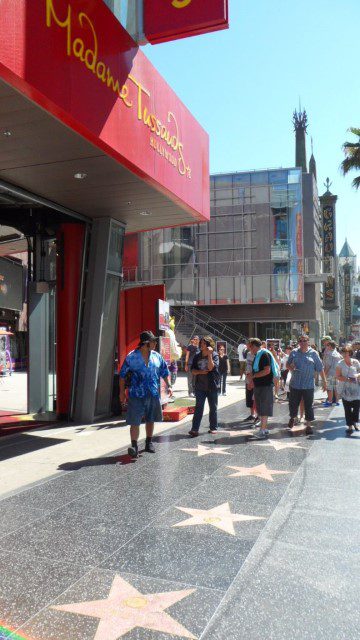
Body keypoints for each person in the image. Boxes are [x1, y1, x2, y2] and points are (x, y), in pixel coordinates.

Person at [119, 330, 173, 458]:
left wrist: (169, 386)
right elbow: (121, 376)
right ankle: (134, 445)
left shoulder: (157, 356)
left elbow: (164, 372)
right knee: (135, 421)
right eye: (153, 341)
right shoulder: (131, 357)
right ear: (145, 343)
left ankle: (149, 442)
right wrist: (121, 392)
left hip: (153, 393)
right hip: (136, 395)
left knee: (151, 418)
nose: (155, 343)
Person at [287, 335, 327, 435]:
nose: (303, 342)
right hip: (295, 384)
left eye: (305, 341)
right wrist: (291, 367)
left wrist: (325, 382)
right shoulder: (294, 352)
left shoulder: (314, 353)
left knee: (309, 405)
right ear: (299, 342)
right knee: (293, 404)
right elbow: (287, 364)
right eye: (300, 341)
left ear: (308, 342)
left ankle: (308, 425)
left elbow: (320, 367)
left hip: (308, 385)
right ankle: (292, 417)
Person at [189, 336, 220, 436]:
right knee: (198, 407)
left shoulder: (214, 355)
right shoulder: (197, 356)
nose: (201, 344)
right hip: (200, 387)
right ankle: (194, 429)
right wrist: (200, 372)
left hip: (212, 386)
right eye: (201, 343)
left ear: (208, 344)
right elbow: (193, 370)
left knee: (213, 408)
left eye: (203, 343)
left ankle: (213, 427)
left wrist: (210, 355)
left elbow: (211, 368)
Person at [248, 338, 275, 439]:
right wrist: (252, 381)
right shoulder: (257, 356)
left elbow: (267, 371)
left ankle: (262, 430)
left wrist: (254, 377)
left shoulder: (263, 354)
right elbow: (256, 371)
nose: (249, 348)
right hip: (259, 385)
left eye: (250, 346)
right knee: (260, 408)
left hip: (266, 385)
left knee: (264, 408)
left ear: (254, 346)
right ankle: (264, 428)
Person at [335, 345, 360, 435]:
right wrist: (348, 379)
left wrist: (357, 376)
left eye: (346, 352)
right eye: (343, 352)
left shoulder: (356, 362)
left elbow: (359, 372)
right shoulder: (340, 364)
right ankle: (350, 426)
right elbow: (337, 376)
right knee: (347, 409)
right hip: (345, 390)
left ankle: (355, 422)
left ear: (350, 353)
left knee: (357, 407)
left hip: (356, 389)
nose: (345, 354)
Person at [243, 340, 259, 424]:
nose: (248, 345)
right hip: (248, 377)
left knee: (256, 398)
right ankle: (252, 414)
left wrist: (252, 380)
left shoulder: (258, 354)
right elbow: (247, 366)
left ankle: (257, 415)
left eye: (249, 344)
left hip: (254, 379)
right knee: (249, 397)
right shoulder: (248, 354)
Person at [323, 340, 341, 406]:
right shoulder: (337, 353)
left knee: (329, 388)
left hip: (330, 373)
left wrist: (324, 375)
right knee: (335, 388)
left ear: (330, 346)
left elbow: (328, 366)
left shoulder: (330, 354)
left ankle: (330, 401)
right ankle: (336, 401)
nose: (326, 347)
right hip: (336, 373)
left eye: (327, 345)